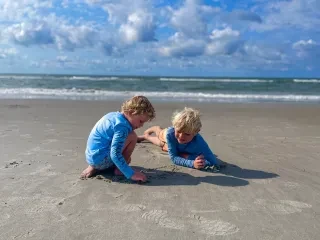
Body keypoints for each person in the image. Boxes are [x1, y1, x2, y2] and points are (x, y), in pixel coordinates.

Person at [81, 96, 156, 182]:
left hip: (91, 158)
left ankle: (94, 167)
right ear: (131, 112)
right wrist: (131, 174)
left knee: (120, 152)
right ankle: (119, 170)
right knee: (132, 136)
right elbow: (115, 154)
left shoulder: (113, 116)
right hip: (102, 161)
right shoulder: (122, 126)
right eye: (140, 121)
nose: (141, 125)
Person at [138, 107, 222, 170]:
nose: (181, 136)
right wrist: (192, 163)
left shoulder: (199, 142)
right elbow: (174, 158)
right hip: (168, 135)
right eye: (179, 131)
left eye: (187, 134)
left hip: (178, 146)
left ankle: (147, 137)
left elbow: (213, 162)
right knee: (161, 135)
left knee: (163, 145)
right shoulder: (171, 134)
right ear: (175, 127)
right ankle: (152, 131)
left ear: (196, 132)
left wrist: (191, 158)